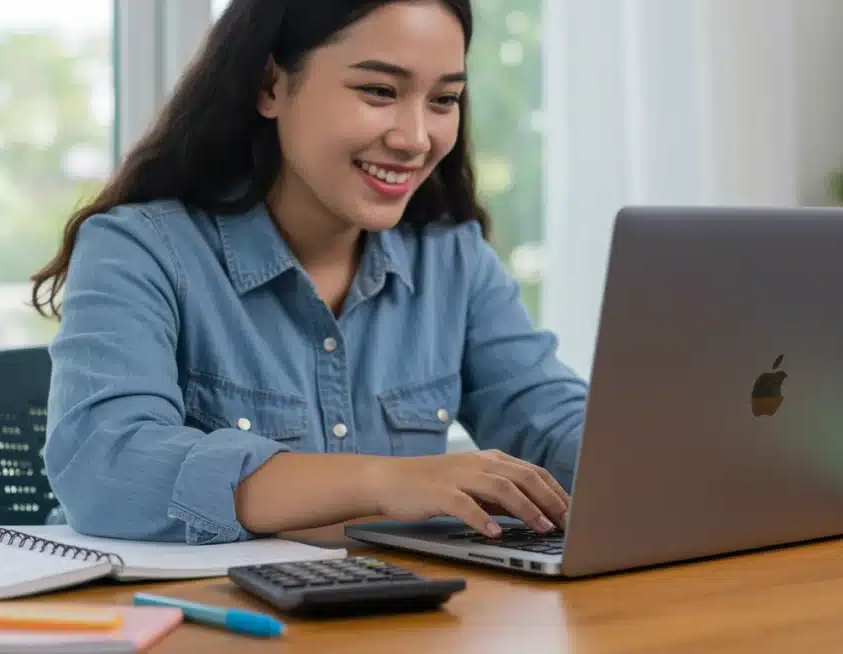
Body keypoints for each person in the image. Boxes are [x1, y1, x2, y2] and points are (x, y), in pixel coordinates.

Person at [30, 0, 587, 545]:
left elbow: (549, 419)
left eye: (444, 99)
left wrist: (652, 455)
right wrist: (387, 481)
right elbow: (105, 466)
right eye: (379, 91)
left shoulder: (451, 257)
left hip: (395, 622)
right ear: (270, 85)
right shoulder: (138, 247)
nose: (415, 138)